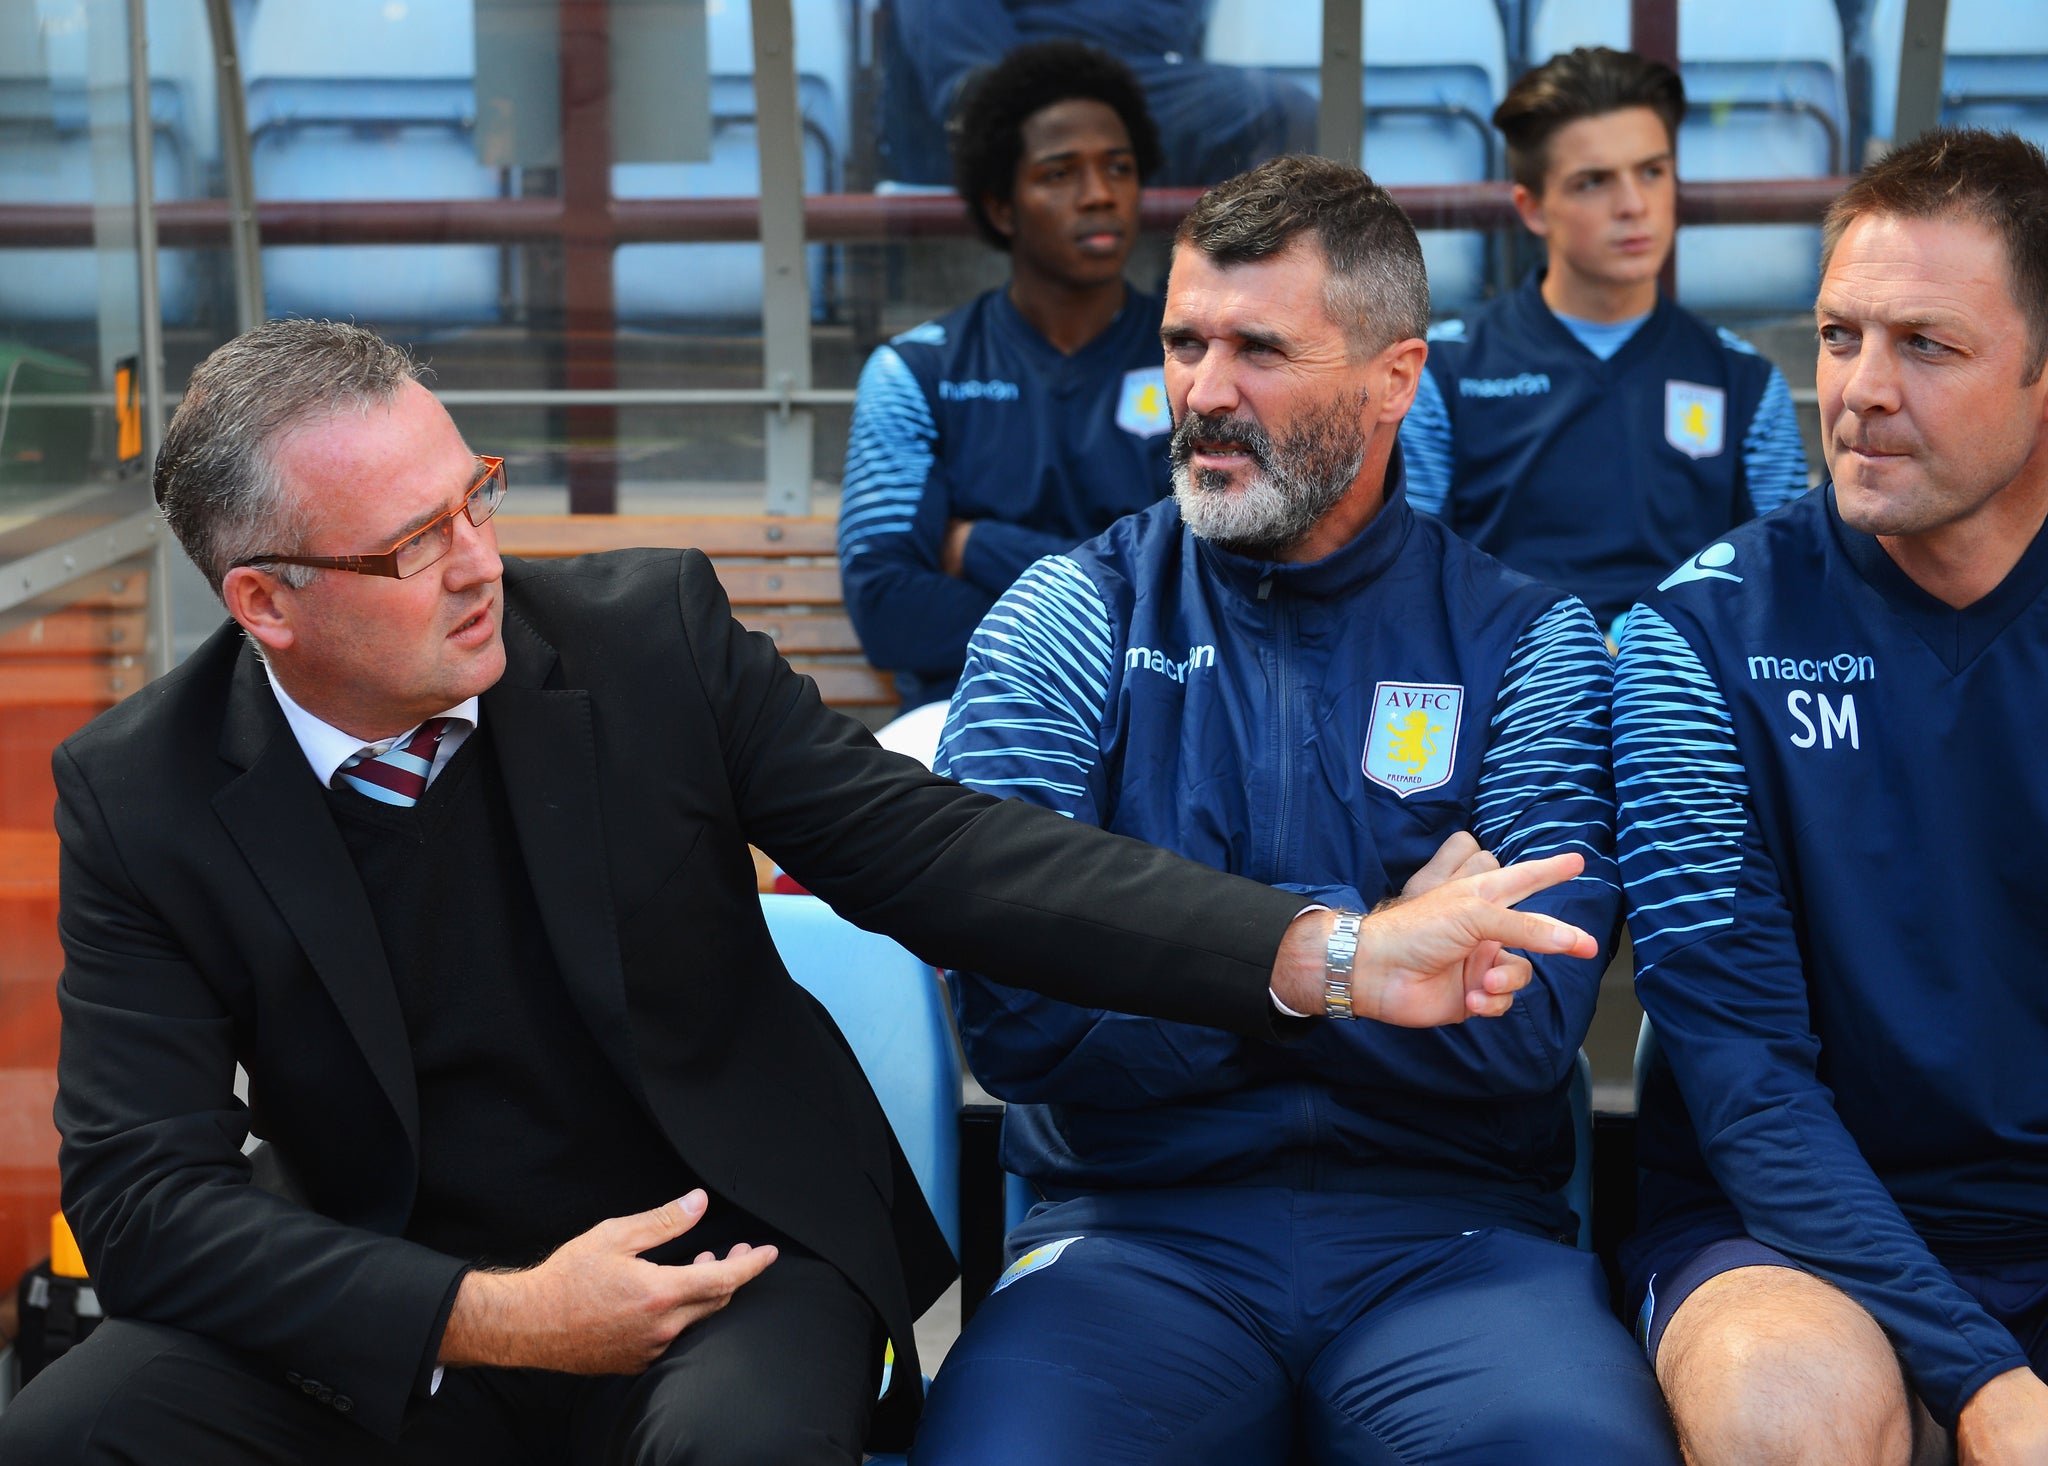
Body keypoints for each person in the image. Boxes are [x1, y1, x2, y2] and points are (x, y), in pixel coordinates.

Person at [0, 319, 1597, 1466]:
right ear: (265, 601)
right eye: (414, 544)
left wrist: (1327, 951)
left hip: (730, 1263)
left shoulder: (641, 642)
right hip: (402, 1298)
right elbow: (143, 1203)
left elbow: (949, 857)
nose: (482, 558)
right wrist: (483, 1313)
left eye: (475, 493)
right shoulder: (141, 789)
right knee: (77, 1425)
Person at [914, 155, 1679, 1465]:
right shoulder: (1062, 620)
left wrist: (1154, 935)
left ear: (1395, 377)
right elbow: (1016, 1011)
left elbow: (1529, 1023)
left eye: (1261, 348)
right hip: (1129, 1235)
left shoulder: (1532, 642)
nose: (1203, 392)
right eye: (1184, 340)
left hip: (1455, 1242)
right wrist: (1364, 952)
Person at [1612, 128, 2048, 1466]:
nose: (1857, 389)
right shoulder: (1698, 638)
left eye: (1926, 344)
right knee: (1782, 1411)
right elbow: (1746, 1088)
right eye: (1840, 334)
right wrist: (1986, 1378)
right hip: (1787, 1227)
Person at [1400, 47, 1809, 639]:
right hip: (1506, 699)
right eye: (1594, 182)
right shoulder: (1444, 373)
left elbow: (1782, 583)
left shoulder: (1744, 382)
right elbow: (1411, 579)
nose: (1633, 205)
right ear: (1533, 208)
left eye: (1651, 171)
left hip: (1690, 701)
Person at [841, 42, 1179, 735]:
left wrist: (981, 546)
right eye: (1061, 173)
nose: (1100, 193)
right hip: (966, 707)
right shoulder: (917, 371)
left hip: (1160, 715)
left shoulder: (1198, 359)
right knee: (818, 846)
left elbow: (1210, 590)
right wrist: (1122, 608)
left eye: (1119, 167)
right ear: (1002, 207)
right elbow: (890, 611)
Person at [878, 0, 1314, 189]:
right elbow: (969, 69)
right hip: (1028, 78)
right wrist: (990, 94)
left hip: (1151, 81)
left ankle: (1199, 309)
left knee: (1283, 109)